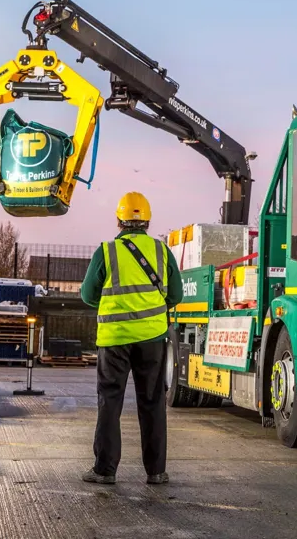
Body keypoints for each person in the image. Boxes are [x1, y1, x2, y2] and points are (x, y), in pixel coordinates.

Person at [79, 191, 183, 485]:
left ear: (119, 220)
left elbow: (88, 295)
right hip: (152, 339)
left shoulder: (107, 251)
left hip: (114, 340)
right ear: (147, 221)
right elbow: (175, 294)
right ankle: (156, 471)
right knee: (152, 402)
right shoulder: (162, 252)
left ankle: (105, 470)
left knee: (110, 402)